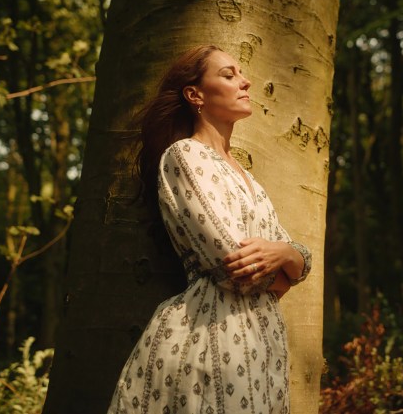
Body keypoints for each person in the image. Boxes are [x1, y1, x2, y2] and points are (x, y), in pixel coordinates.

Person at [108, 45, 312, 414]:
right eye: (229, 74)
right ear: (195, 94)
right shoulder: (185, 156)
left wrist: (286, 254)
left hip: (265, 346)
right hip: (215, 338)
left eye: (242, 73)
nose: (245, 81)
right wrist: (288, 265)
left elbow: (296, 259)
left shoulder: (250, 179)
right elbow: (236, 269)